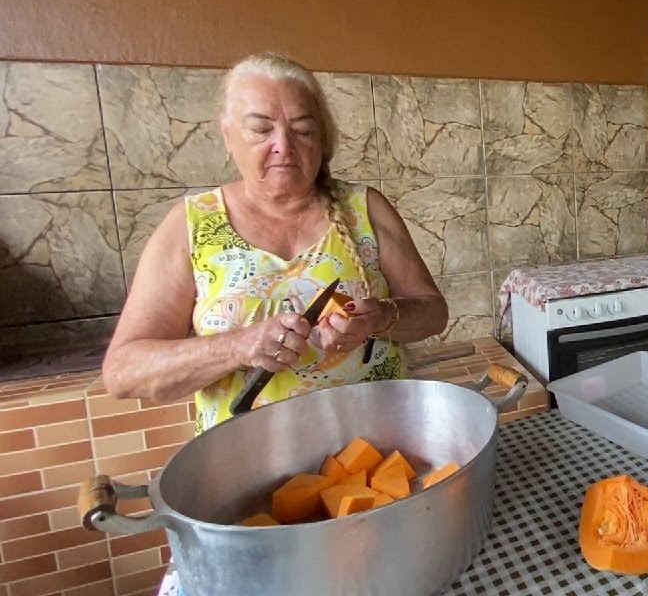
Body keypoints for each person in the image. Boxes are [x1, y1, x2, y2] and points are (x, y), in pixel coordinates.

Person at [103, 52, 449, 433]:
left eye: (302, 130)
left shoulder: (365, 210)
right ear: (227, 135)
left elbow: (433, 312)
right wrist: (237, 346)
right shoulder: (192, 225)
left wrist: (381, 318)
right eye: (260, 129)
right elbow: (124, 373)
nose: (283, 146)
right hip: (246, 468)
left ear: (322, 139)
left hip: (375, 451)